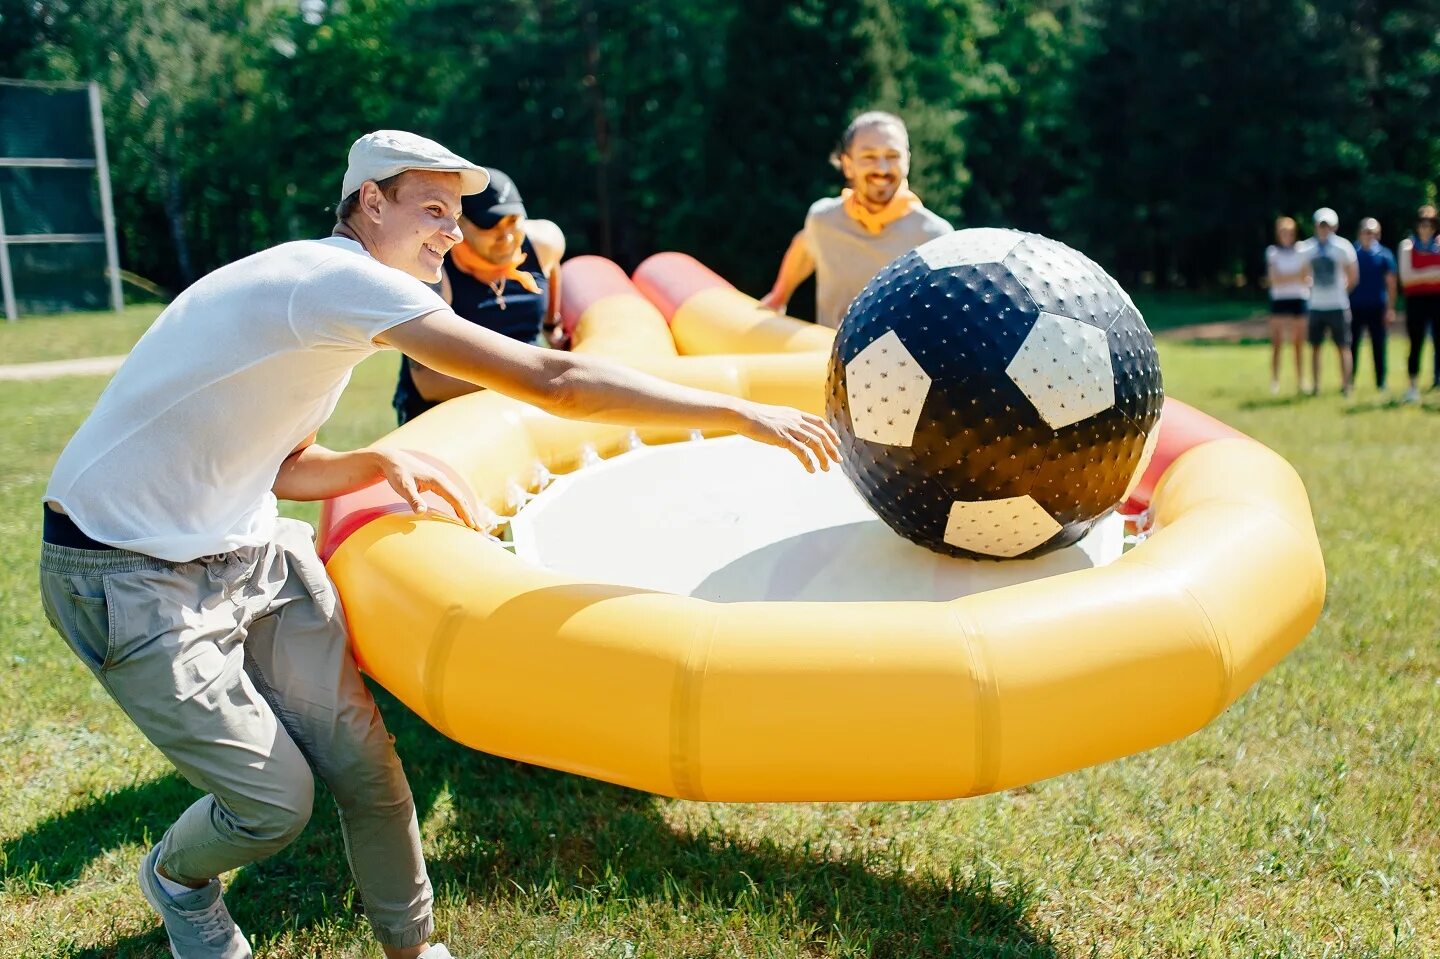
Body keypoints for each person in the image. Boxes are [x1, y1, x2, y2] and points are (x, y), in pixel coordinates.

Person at [38, 130, 839, 959]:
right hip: (125, 570)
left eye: (456, 216)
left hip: (245, 551)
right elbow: (553, 380)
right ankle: (178, 878)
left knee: (371, 774)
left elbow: (279, 463)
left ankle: (413, 948)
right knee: (274, 803)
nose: (452, 232)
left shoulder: (335, 294)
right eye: (432, 210)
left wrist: (370, 459)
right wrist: (742, 413)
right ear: (369, 202)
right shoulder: (339, 280)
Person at [394, 167, 565, 424]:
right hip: (444, 415)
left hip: (526, 397)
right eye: (489, 225)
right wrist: (533, 376)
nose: (506, 237)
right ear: (458, 224)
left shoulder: (544, 242)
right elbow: (429, 383)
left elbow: (553, 267)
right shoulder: (433, 273)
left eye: (512, 221)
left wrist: (552, 325)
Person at [760, 111, 952, 328]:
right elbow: (805, 247)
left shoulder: (935, 237)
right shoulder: (823, 219)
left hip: (897, 362)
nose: (882, 169)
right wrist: (778, 297)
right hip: (828, 357)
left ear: (907, 160)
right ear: (848, 164)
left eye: (892, 156)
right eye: (869, 156)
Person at [1298, 207, 1358, 396]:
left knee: (1343, 346)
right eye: (1321, 225)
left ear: (1334, 226)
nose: (1324, 229)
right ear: (1316, 226)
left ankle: (1346, 386)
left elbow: (1353, 275)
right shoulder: (1306, 248)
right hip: (1316, 305)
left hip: (1338, 305)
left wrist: (1342, 292)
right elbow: (1302, 273)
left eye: (1328, 225)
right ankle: (1316, 387)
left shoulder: (1343, 247)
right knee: (1315, 347)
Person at [1349, 217, 1398, 392]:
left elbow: (1391, 283)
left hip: (1377, 307)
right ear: (1360, 233)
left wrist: (1390, 308)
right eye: (1366, 231)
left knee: (1379, 345)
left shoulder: (1385, 255)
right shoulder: (1351, 253)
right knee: (1352, 345)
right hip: (1354, 307)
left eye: (1373, 232)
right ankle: (1349, 381)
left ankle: (1381, 382)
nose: (1370, 235)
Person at [1398, 204, 1440, 403]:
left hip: (1437, 301)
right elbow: (1406, 278)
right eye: (1423, 223)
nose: (1426, 228)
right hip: (1415, 302)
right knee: (1416, 343)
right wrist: (1433, 274)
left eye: (1430, 224)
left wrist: (1421, 274)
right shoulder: (1407, 246)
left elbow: (1416, 275)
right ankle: (1412, 386)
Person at [1265, 215, 1310, 394]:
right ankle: (1275, 380)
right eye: (1283, 231)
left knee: (1298, 343)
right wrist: (1295, 276)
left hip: (1298, 299)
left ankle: (1301, 380)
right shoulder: (1272, 252)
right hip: (1279, 300)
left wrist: (1287, 277)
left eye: (1289, 231)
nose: (1286, 235)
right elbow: (1274, 279)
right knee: (1277, 342)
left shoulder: (1302, 250)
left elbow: (1305, 276)